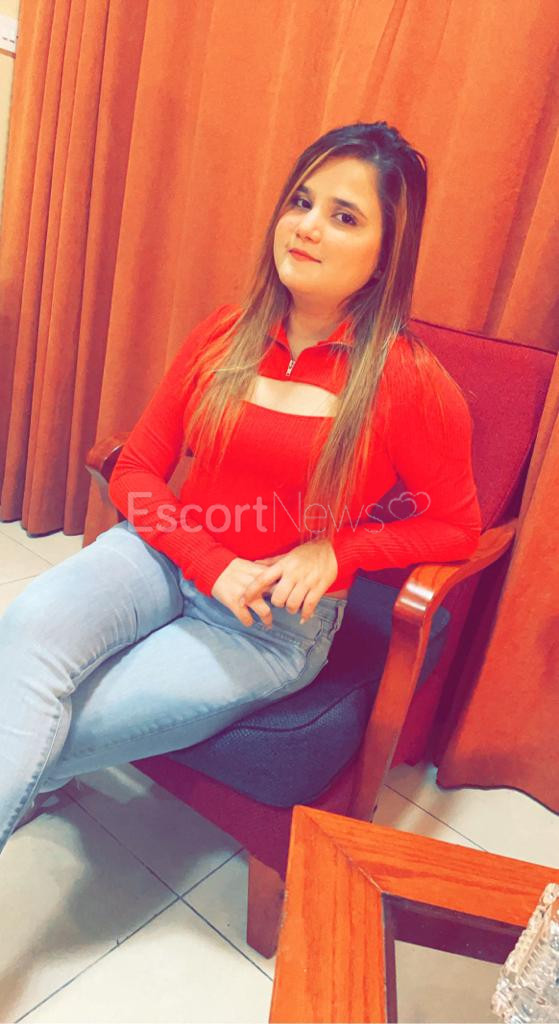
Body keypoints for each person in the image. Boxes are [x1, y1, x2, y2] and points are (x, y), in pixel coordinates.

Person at [0, 121, 481, 850]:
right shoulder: (224, 333)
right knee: (24, 642)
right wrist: (208, 561)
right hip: (159, 556)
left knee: (55, 721)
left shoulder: (410, 382)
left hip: (264, 626)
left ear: (386, 255)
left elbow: (457, 528)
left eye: (344, 217)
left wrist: (340, 550)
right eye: (301, 201)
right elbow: (136, 468)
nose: (307, 226)